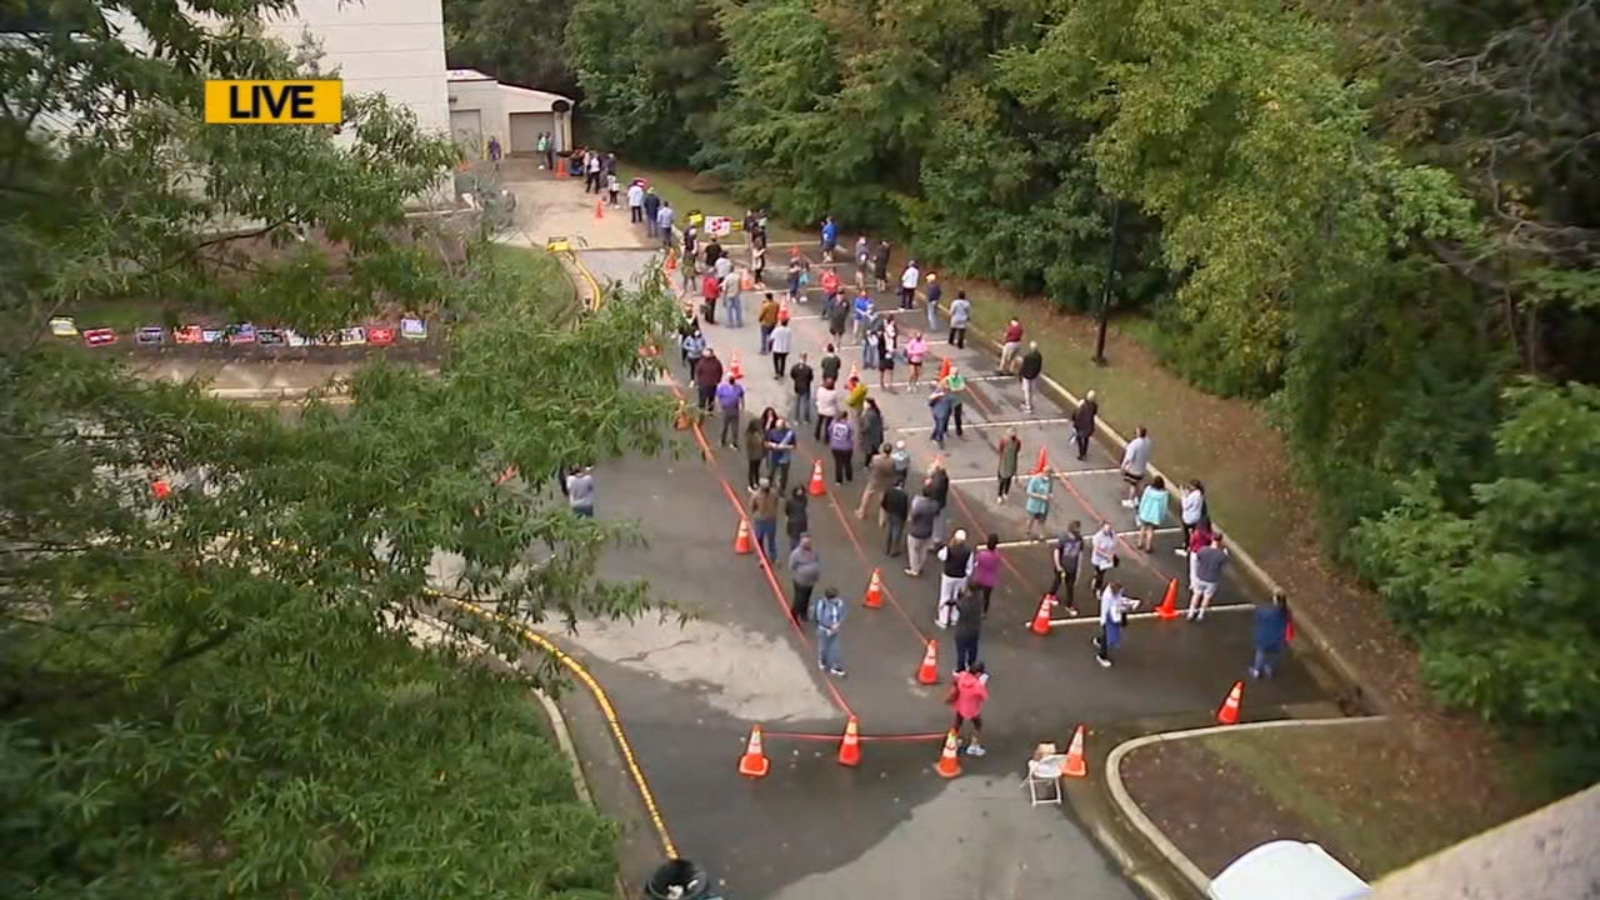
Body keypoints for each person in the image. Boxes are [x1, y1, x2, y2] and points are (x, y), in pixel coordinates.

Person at [935, 529, 975, 629]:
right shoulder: (969, 551)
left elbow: (941, 556)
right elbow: (970, 567)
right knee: (957, 597)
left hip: (948, 575)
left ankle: (943, 620)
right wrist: (966, 575)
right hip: (961, 577)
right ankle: (954, 618)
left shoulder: (949, 548)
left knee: (945, 596)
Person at [1094, 581, 1137, 668]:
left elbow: (1119, 600)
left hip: (1109, 618)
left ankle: (1099, 640)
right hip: (1108, 620)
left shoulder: (1114, 592)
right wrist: (1125, 607)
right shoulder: (1108, 598)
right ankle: (1102, 656)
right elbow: (1113, 612)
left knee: (1105, 634)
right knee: (1107, 636)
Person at [949, 662, 989, 756]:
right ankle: (973, 747)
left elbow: (955, 682)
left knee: (957, 724)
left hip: (959, 705)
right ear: (978, 674)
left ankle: (952, 742)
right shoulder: (977, 685)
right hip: (972, 710)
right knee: (978, 725)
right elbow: (984, 697)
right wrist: (982, 683)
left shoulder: (962, 675)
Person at [1188, 533, 1230, 621]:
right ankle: (1201, 614)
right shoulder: (1221, 555)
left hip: (1200, 576)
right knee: (1207, 597)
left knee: (1196, 594)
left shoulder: (1203, 550)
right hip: (1212, 579)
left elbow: (1198, 559)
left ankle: (1191, 613)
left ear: (1212, 539)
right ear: (1220, 541)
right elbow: (1224, 563)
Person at [1250, 593, 1292, 679]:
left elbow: (1258, 616)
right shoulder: (1286, 612)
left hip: (1265, 635)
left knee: (1261, 652)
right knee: (1275, 654)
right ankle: (1269, 668)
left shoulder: (1267, 611)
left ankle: (1256, 670)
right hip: (1279, 637)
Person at [905, 486, 940, 576]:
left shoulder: (920, 505)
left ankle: (914, 569)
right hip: (928, 530)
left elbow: (913, 516)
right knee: (923, 550)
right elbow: (937, 514)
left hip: (916, 531)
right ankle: (920, 566)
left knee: (913, 550)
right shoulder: (935, 504)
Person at [1051, 521, 1084, 615]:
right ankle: (1051, 595)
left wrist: (1079, 568)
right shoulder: (1064, 539)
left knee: (1070, 587)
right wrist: (1058, 566)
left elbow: (1080, 554)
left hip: (1072, 567)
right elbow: (1056, 552)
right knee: (1057, 582)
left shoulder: (1079, 539)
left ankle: (1069, 605)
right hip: (1062, 566)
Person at [814, 587, 847, 676]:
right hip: (824, 630)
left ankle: (836, 666)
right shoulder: (822, 604)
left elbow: (843, 613)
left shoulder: (840, 603)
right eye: (835, 597)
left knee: (835, 648)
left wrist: (838, 623)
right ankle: (822, 660)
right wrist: (830, 626)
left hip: (835, 630)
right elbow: (819, 618)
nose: (837, 599)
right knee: (823, 647)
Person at [789, 534, 821, 622]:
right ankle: (793, 615)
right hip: (800, 582)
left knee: (806, 598)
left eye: (809, 542)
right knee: (799, 600)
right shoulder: (796, 554)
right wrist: (802, 571)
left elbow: (817, 560)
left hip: (811, 581)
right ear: (801, 543)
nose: (808, 544)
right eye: (806, 542)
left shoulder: (814, 551)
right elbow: (792, 566)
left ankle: (803, 613)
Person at [953, 587, 984, 674]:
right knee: (973, 649)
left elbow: (959, 606)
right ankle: (972, 665)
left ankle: (960, 668)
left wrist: (959, 597)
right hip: (975, 630)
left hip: (963, 631)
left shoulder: (965, 603)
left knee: (961, 652)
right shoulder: (979, 600)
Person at [969, 534, 1002, 616]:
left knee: (973, 590)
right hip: (990, 581)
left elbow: (976, 562)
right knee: (986, 597)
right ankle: (984, 612)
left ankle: (973, 606)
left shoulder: (981, 555)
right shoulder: (997, 556)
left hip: (980, 578)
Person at [749, 478, 780, 563]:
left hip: (768, 519)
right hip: (762, 520)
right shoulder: (756, 495)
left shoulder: (773, 493)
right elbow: (752, 506)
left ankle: (773, 557)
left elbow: (752, 507)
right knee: (760, 539)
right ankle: (763, 557)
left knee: (771, 539)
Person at [1120, 426, 1152, 508]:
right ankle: (1136, 499)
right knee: (1138, 483)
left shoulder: (1134, 444)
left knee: (1133, 485)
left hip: (1134, 468)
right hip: (1142, 467)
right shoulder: (1147, 442)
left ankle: (1131, 500)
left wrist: (1123, 467)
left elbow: (1129, 458)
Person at [1136, 475, 1169, 552]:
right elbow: (1163, 506)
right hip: (1155, 516)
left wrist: (1140, 510)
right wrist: (1162, 515)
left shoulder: (1148, 490)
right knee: (1150, 530)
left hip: (1145, 512)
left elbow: (1143, 500)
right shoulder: (1164, 494)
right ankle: (1148, 546)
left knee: (1142, 528)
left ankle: (1139, 543)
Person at [765, 417, 797, 493]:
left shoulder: (790, 434)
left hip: (785, 458)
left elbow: (794, 446)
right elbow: (766, 443)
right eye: (777, 426)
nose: (778, 428)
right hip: (774, 457)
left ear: (783, 426)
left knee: (784, 475)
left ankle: (782, 490)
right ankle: (767, 487)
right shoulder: (772, 432)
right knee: (771, 472)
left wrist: (784, 447)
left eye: (780, 427)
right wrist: (772, 445)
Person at [1023, 465, 1054, 541]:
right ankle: (1028, 530)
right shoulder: (1035, 479)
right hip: (1034, 505)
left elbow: (1050, 490)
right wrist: (1041, 496)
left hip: (1043, 505)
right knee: (1031, 519)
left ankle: (1041, 534)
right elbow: (1029, 492)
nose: (1049, 475)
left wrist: (1050, 494)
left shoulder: (1050, 480)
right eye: (1048, 473)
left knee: (1042, 521)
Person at [1178, 480, 1208, 557]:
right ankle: (1192, 545)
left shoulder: (1194, 495)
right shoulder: (1200, 494)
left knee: (1187, 533)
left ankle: (1187, 548)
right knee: (1194, 532)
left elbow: (1185, 505)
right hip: (1196, 517)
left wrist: (1183, 495)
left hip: (1189, 518)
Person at [881, 479, 909, 556]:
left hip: (890, 513)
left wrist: (886, 511)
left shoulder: (889, 491)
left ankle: (887, 548)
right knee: (897, 532)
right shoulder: (904, 495)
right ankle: (894, 549)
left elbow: (883, 503)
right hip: (899, 516)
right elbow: (904, 508)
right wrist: (905, 517)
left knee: (890, 530)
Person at [1089, 520, 1118, 596]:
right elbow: (1097, 550)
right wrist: (1107, 555)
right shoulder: (1097, 537)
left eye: (1109, 528)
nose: (1108, 530)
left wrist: (1111, 554)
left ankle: (1095, 579)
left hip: (1107, 560)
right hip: (1098, 560)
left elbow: (1114, 544)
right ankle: (1097, 589)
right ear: (1102, 528)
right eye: (1106, 528)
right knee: (1100, 575)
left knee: (1102, 573)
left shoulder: (1112, 534)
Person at [716, 374, 745, 448]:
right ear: (727, 379)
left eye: (732, 378)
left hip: (735, 409)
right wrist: (719, 407)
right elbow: (718, 397)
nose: (731, 380)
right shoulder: (722, 387)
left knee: (735, 428)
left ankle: (734, 442)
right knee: (724, 427)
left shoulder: (738, 387)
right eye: (730, 378)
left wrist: (742, 406)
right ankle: (722, 440)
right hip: (725, 409)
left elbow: (742, 396)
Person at [827, 414, 855, 484]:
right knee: (847, 462)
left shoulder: (834, 423)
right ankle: (849, 477)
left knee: (838, 463)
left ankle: (838, 480)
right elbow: (852, 435)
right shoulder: (849, 424)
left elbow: (829, 430)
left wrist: (832, 440)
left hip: (836, 447)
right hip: (847, 447)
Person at [1071, 390, 1098, 460]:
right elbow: (1094, 413)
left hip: (1081, 424)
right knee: (1086, 438)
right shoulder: (1094, 405)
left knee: (1079, 438)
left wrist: (1075, 423)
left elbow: (1076, 414)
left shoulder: (1082, 404)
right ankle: (1084, 452)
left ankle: (1081, 453)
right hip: (1089, 425)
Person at [996, 428, 1021, 504]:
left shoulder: (1018, 442)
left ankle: (1006, 493)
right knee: (1003, 480)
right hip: (1005, 462)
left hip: (1012, 461)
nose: (1012, 436)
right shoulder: (1004, 441)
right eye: (1011, 434)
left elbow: (1017, 450)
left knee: (1009, 478)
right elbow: (1001, 450)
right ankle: (999, 495)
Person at [858, 398, 884, 470]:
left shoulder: (868, 414)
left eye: (865, 403)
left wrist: (862, 431)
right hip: (876, 435)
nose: (864, 404)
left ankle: (867, 465)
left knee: (869, 451)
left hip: (870, 437)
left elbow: (867, 426)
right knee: (874, 450)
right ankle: (879, 461)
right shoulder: (875, 411)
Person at [1019, 341, 1044, 413]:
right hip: (1034, 375)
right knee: (1032, 391)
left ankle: (1028, 407)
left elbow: (1024, 367)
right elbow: (1039, 366)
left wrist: (1021, 374)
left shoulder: (1027, 357)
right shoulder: (1039, 356)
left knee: (1026, 391)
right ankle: (1030, 403)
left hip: (1026, 375)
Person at [789, 352, 814, 425]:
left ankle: (796, 419)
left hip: (797, 387)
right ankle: (806, 419)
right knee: (806, 403)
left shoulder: (795, 367)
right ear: (805, 358)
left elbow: (792, 375)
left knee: (797, 403)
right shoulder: (808, 369)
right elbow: (811, 378)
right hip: (806, 387)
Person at [814, 376, 841, 442]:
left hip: (821, 409)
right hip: (830, 411)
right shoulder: (834, 393)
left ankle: (817, 435)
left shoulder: (820, 390)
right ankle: (826, 438)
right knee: (828, 425)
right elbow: (836, 402)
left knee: (819, 422)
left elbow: (817, 397)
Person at [784, 486, 809, 557]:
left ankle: (794, 553)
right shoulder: (804, 500)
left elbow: (787, 511)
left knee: (794, 539)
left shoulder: (789, 501)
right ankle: (801, 552)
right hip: (802, 521)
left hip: (793, 522)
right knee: (802, 537)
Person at [743, 417, 767, 489]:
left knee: (757, 470)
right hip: (753, 455)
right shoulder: (749, 435)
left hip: (758, 455)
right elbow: (759, 442)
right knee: (752, 470)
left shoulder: (759, 433)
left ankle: (756, 482)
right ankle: (751, 485)